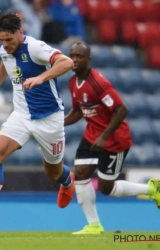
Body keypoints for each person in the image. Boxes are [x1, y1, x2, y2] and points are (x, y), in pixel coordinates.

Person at [0, 11, 75, 231]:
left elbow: (67, 62)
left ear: (21, 32)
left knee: (53, 173)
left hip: (49, 119)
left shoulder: (35, 47)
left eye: (9, 40)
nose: (5, 45)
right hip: (20, 115)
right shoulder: (4, 49)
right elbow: (5, 62)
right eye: (1, 40)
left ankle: (67, 181)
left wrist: (41, 77)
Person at [65, 41, 160, 235]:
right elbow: (78, 111)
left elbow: (121, 109)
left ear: (89, 59)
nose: (75, 59)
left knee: (106, 188)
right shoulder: (73, 82)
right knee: (81, 174)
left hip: (114, 140)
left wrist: (104, 136)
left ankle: (151, 189)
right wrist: (58, 123)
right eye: (72, 55)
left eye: (79, 56)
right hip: (92, 135)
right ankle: (94, 226)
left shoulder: (98, 83)